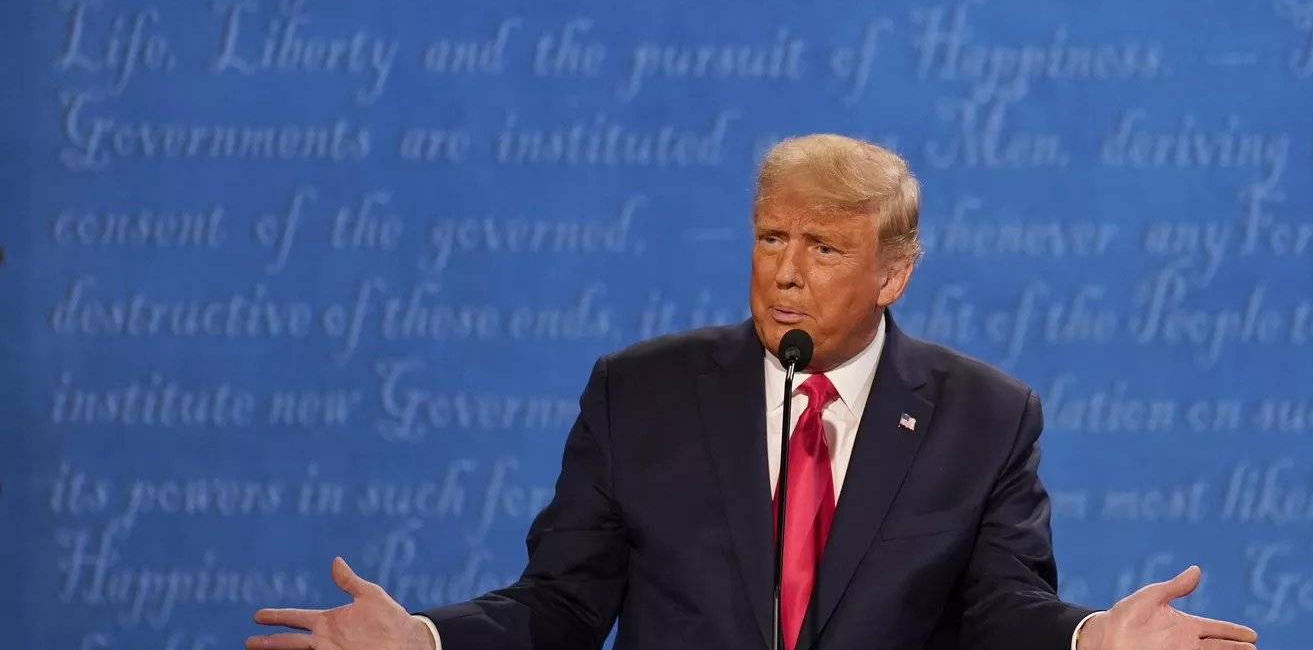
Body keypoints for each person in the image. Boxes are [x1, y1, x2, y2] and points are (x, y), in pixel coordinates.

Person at [246, 134, 1259, 650]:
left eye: (824, 248)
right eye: (771, 237)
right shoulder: (638, 395)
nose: (785, 272)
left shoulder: (985, 417)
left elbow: (999, 610)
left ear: (894, 272)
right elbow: (559, 605)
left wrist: (1088, 639)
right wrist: (423, 641)